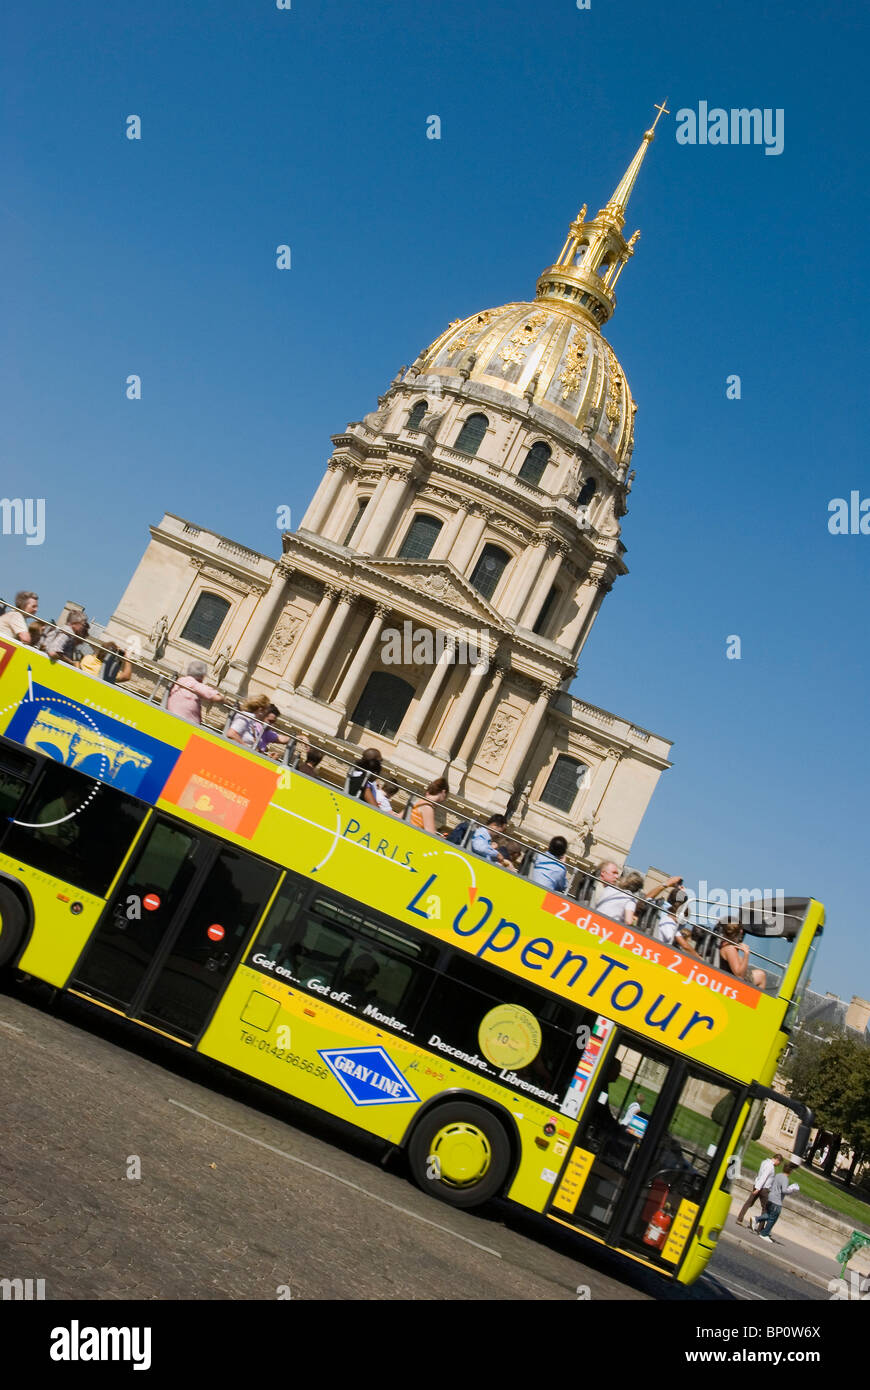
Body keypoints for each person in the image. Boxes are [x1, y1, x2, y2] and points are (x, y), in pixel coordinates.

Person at [752, 1163, 800, 1242]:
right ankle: (764, 1234)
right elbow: (784, 1190)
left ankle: (756, 1219)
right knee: (773, 1219)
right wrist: (792, 1189)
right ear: (790, 1171)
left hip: (770, 1198)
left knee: (769, 1215)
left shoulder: (778, 1175)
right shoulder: (785, 1178)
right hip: (777, 1201)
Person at [166, 659, 225, 725]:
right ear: (201, 675)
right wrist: (227, 702)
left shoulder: (181, 680)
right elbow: (217, 698)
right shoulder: (195, 684)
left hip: (170, 717)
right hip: (186, 725)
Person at [718, 920, 767, 990]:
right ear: (741, 931)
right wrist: (746, 954)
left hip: (730, 978)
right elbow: (739, 975)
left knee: (760, 974)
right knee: (761, 975)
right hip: (733, 984)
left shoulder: (724, 944)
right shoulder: (730, 949)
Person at [737, 1152, 782, 1226]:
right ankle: (760, 1227)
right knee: (766, 1209)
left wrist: (757, 1187)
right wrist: (758, 1189)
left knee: (748, 1203)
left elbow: (760, 1175)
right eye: (779, 1163)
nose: (778, 1165)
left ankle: (740, 1218)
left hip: (757, 1185)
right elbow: (764, 1177)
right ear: (777, 1160)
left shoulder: (764, 1162)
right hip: (763, 1189)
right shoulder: (770, 1166)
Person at [654, 887, 700, 955]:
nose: (683, 922)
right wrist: (698, 957)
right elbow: (684, 945)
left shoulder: (671, 922)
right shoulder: (669, 922)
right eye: (684, 918)